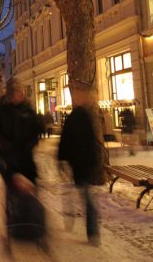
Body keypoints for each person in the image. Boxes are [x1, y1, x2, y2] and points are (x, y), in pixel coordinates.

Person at [0, 78, 44, 246]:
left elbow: (36, 131)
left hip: (26, 157)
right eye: (14, 94)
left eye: (19, 93)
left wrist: (31, 143)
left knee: (32, 187)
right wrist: (6, 145)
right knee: (11, 189)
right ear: (9, 94)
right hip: (8, 158)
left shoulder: (28, 110)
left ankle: (34, 221)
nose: (17, 97)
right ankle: (12, 222)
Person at [58, 105, 101, 245]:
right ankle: (93, 232)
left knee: (76, 195)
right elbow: (94, 146)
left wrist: (61, 160)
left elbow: (64, 141)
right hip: (87, 166)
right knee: (88, 198)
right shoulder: (88, 122)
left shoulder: (71, 121)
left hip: (76, 165)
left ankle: (71, 219)